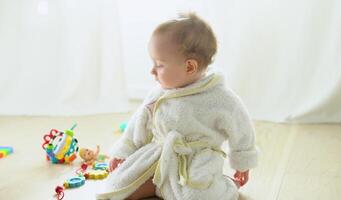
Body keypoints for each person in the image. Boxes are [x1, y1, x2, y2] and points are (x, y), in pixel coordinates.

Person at [96, 12, 258, 200]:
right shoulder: (159, 94)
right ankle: (160, 187)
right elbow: (138, 124)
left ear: (189, 67)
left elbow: (242, 130)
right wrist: (124, 151)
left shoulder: (221, 99)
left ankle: (227, 186)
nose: (152, 71)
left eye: (159, 65)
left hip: (196, 163)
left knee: (196, 195)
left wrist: (242, 163)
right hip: (157, 158)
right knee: (118, 187)